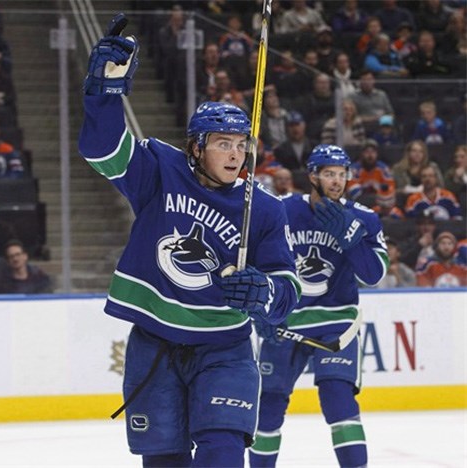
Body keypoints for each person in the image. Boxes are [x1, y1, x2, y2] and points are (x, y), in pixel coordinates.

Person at [79, 19, 300, 466]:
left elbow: (288, 292)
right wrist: (104, 90)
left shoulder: (266, 208)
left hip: (225, 350)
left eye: (241, 144)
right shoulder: (161, 168)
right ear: (196, 148)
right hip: (154, 346)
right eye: (223, 144)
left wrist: (267, 291)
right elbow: (102, 151)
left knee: (222, 455)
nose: (236, 154)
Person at [249, 144, 387, 468]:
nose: (337, 181)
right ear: (312, 175)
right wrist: (261, 309)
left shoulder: (363, 217)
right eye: (329, 174)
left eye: (341, 174)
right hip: (286, 320)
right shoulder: (280, 210)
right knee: (267, 406)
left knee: (338, 399)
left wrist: (351, 237)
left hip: (336, 324)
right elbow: (255, 260)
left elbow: (374, 275)